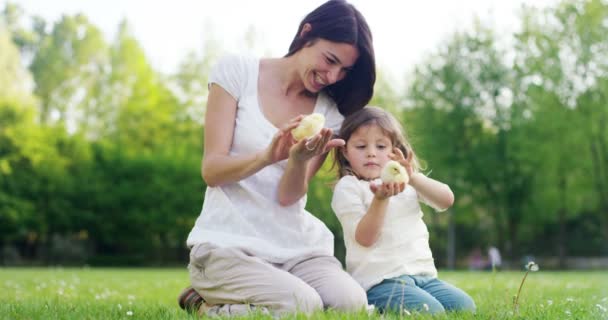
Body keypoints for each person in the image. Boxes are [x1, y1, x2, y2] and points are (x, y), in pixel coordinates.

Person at [178, 0, 376, 317]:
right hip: (229, 244)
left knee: (351, 305)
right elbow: (212, 171)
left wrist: (296, 160)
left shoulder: (329, 114)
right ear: (305, 33)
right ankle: (203, 304)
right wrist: (269, 155)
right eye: (330, 60)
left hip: (295, 247)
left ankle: (250, 295)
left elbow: (288, 196)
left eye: (344, 70)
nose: (333, 75)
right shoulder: (237, 71)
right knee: (302, 305)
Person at [331, 107, 476, 314]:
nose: (371, 152)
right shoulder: (348, 187)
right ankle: (378, 306)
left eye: (381, 146)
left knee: (465, 308)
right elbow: (365, 238)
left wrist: (414, 177)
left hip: (423, 277)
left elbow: (446, 200)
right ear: (345, 151)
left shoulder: (407, 182)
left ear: (394, 150)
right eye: (361, 146)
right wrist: (380, 200)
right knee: (431, 312)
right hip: (380, 282)